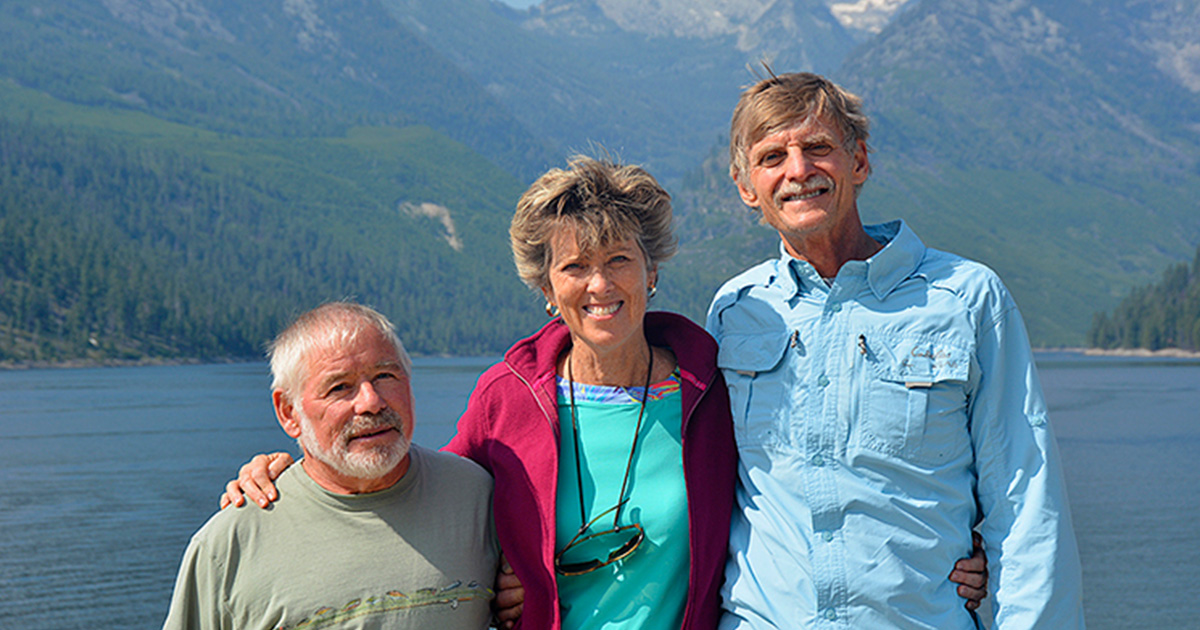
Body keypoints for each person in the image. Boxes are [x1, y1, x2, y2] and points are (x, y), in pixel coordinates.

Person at [220, 157, 990, 629]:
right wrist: (295, 472)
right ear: (545, 288)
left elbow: (829, 467)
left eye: (619, 259)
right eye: (574, 269)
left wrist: (952, 545)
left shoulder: (712, 387)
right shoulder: (506, 396)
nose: (600, 286)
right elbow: (416, 492)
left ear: (651, 270)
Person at [707, 71, 1085, 628]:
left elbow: (1025, 500)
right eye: (772, 157)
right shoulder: (735, 311)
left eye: (817, 148)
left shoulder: (965, 298)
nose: (798, 170)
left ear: (859, 161)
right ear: (746, 187)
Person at [164, 302, 498, 630]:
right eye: (340, 387)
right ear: (289, 413)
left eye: (385, 375)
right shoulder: (229, 545)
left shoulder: (479, 497)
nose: (371, 402)